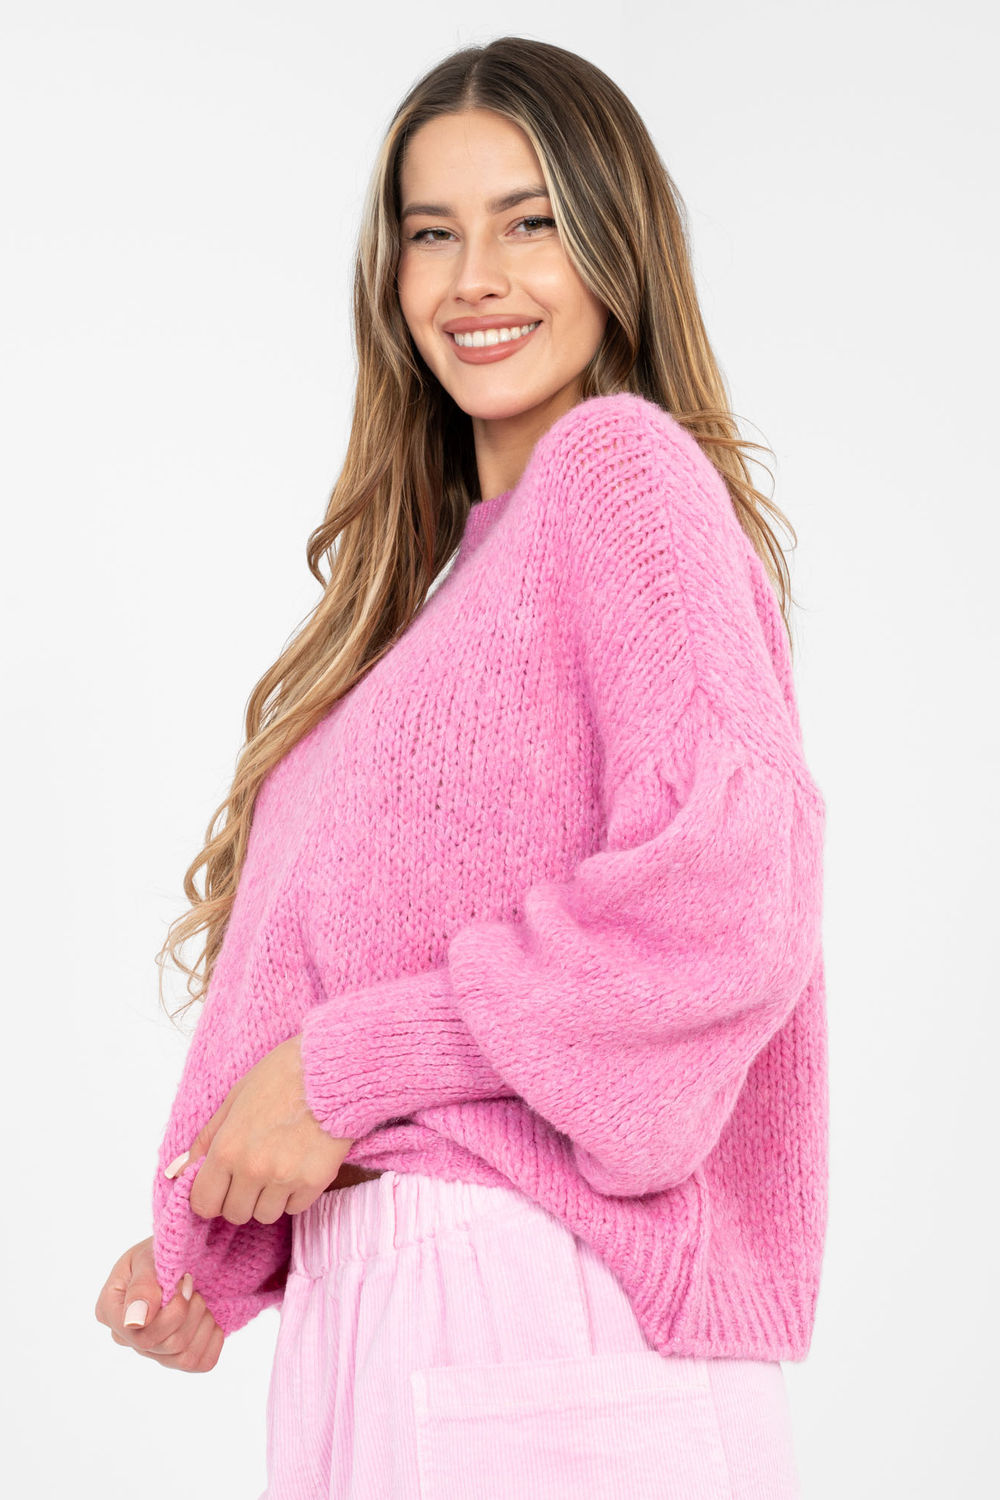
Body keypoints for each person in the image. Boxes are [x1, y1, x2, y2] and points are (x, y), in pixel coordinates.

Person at [95, 34, 827, 1500]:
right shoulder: (429, 610)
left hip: (540, 1300)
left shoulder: (620, 473)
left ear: (616, 246)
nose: (475, 278)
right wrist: (216, 1232)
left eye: (528, 222)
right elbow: (333, 975)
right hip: (396, 1324)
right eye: (433, 234)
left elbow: (732, 894)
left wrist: (343, 1074)